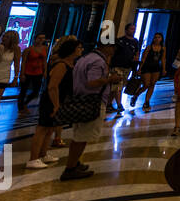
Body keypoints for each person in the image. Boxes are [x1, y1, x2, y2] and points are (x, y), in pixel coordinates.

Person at [62, 39, 117, 180]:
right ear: (106, 47)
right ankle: (70, 168)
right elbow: (92, 82)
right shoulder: (98, 61)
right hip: (91, 101)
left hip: (81, 99)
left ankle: (75, 162)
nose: (114, 50)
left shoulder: (86, 57)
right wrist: (110, 79)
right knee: (82, 137)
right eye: (112, 47)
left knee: (80, 135)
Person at [27, 38, 79, 169]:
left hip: (58, 99)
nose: (81, 50)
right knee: (42, 128)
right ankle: (33, 158)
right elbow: (53, 86)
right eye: (79, 48)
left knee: (50, 129)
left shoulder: (69, 64)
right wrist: (56, 104)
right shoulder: (61, 65)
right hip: (51, 99)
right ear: (72, 50)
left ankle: (43, 154)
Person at [109, 23, 140, 112]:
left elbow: (136, 53)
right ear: (126, 30)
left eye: (134, 29)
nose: (133, 31)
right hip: (118, 65)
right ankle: (119, 104)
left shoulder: (135, 41)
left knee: (119, 86)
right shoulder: (120, 41)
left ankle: (109, 104)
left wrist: (136, 64)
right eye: (131, 29)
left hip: (128, 66)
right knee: (118, 85)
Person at [134, 32, 167, 110]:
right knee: (146, 84)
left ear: (161, 39)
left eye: (159, 37)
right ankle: (136, 95)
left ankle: (147, 102)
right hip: (146, 67)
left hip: (156, 68)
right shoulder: (149, 47)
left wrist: (164, 69)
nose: (157, 39)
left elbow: (163, 59)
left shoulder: (163, 48)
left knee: (152, 84)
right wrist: (139, 69)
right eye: (155, 37)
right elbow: (143, 58)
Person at [17, 34, 48, 113]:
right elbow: (23, 62)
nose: (41, 40)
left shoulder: (45, 49)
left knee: (36, 91)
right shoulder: (28, 49)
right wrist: (22, 74)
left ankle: (25, 103)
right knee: (23, 90)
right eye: (39, 38)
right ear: (35, 39)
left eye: (43, 38)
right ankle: (20, 108)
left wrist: (45, 71)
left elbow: (44, 61)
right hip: (28, 72)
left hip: (38, 72)